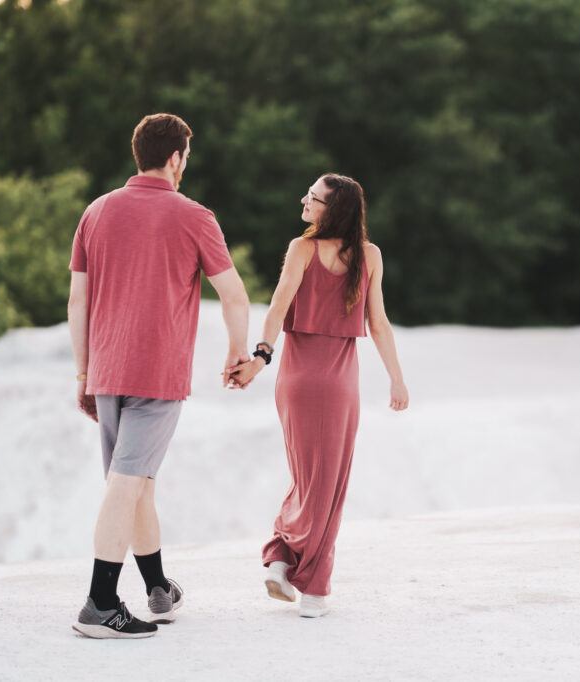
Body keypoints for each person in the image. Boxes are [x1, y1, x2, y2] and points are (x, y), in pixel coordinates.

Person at [68, 113, 251, 638]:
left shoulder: (96, 211)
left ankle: (158, 588)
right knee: (127, 486)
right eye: (186, 158)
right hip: (156, 374)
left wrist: (83, 372)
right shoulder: (194, 215)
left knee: (136, 482)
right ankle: (100, 604)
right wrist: (239, 354)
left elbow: (77, 300)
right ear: (175, 158)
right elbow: (234, 295)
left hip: (105, 370)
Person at [228, 173, 408, 618]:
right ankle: (313, 591)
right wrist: (397, 379)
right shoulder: (369, 255)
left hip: (294, 377)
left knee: (307, 478)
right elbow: (379, 323)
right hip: (338, 380)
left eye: (315, 198)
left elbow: (278, 303)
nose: (304, 201)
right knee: (329, 485)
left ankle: (280, 558)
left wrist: (259, 358)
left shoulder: (301, 248)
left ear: (335, 209)